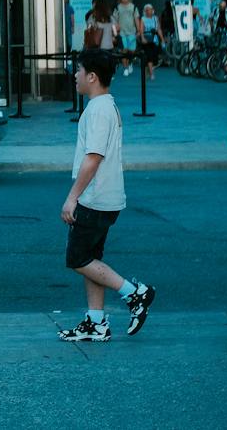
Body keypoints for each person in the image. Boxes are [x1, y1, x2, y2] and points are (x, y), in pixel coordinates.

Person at [56, 50, 155, 342]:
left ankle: (134, 292)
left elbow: (93, 157)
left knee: (77, 259)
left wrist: (72, 197)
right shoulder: (106, 106)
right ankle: (96, 322)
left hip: (95, 198)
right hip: (105, 197)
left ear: (92, 77)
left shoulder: (98, 110)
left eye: (78, 70)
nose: (74, 76)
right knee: (91, 259)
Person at [113, 0, 139, 77]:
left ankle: (130, 63)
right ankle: (126, 68)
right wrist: (115, 31)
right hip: (122, 32)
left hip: (132, 32)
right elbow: (114, 20)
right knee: (124, 50)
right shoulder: (117, 8)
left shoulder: (133, 7)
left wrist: (138, 30)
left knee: (131, 50)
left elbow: (136, 18)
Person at [138, 3, 165, 81]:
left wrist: (162, 39)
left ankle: (148, 68)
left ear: (152, 11)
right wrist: (142, 38)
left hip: (154, 40)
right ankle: (152, 73)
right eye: (146, 10)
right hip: (147, 40)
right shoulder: (143, 19)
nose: (148, 11)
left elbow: (159, 29)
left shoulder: (155, 18)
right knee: (149, 56)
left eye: (149, 10)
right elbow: (141, 29)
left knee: (155, 58)